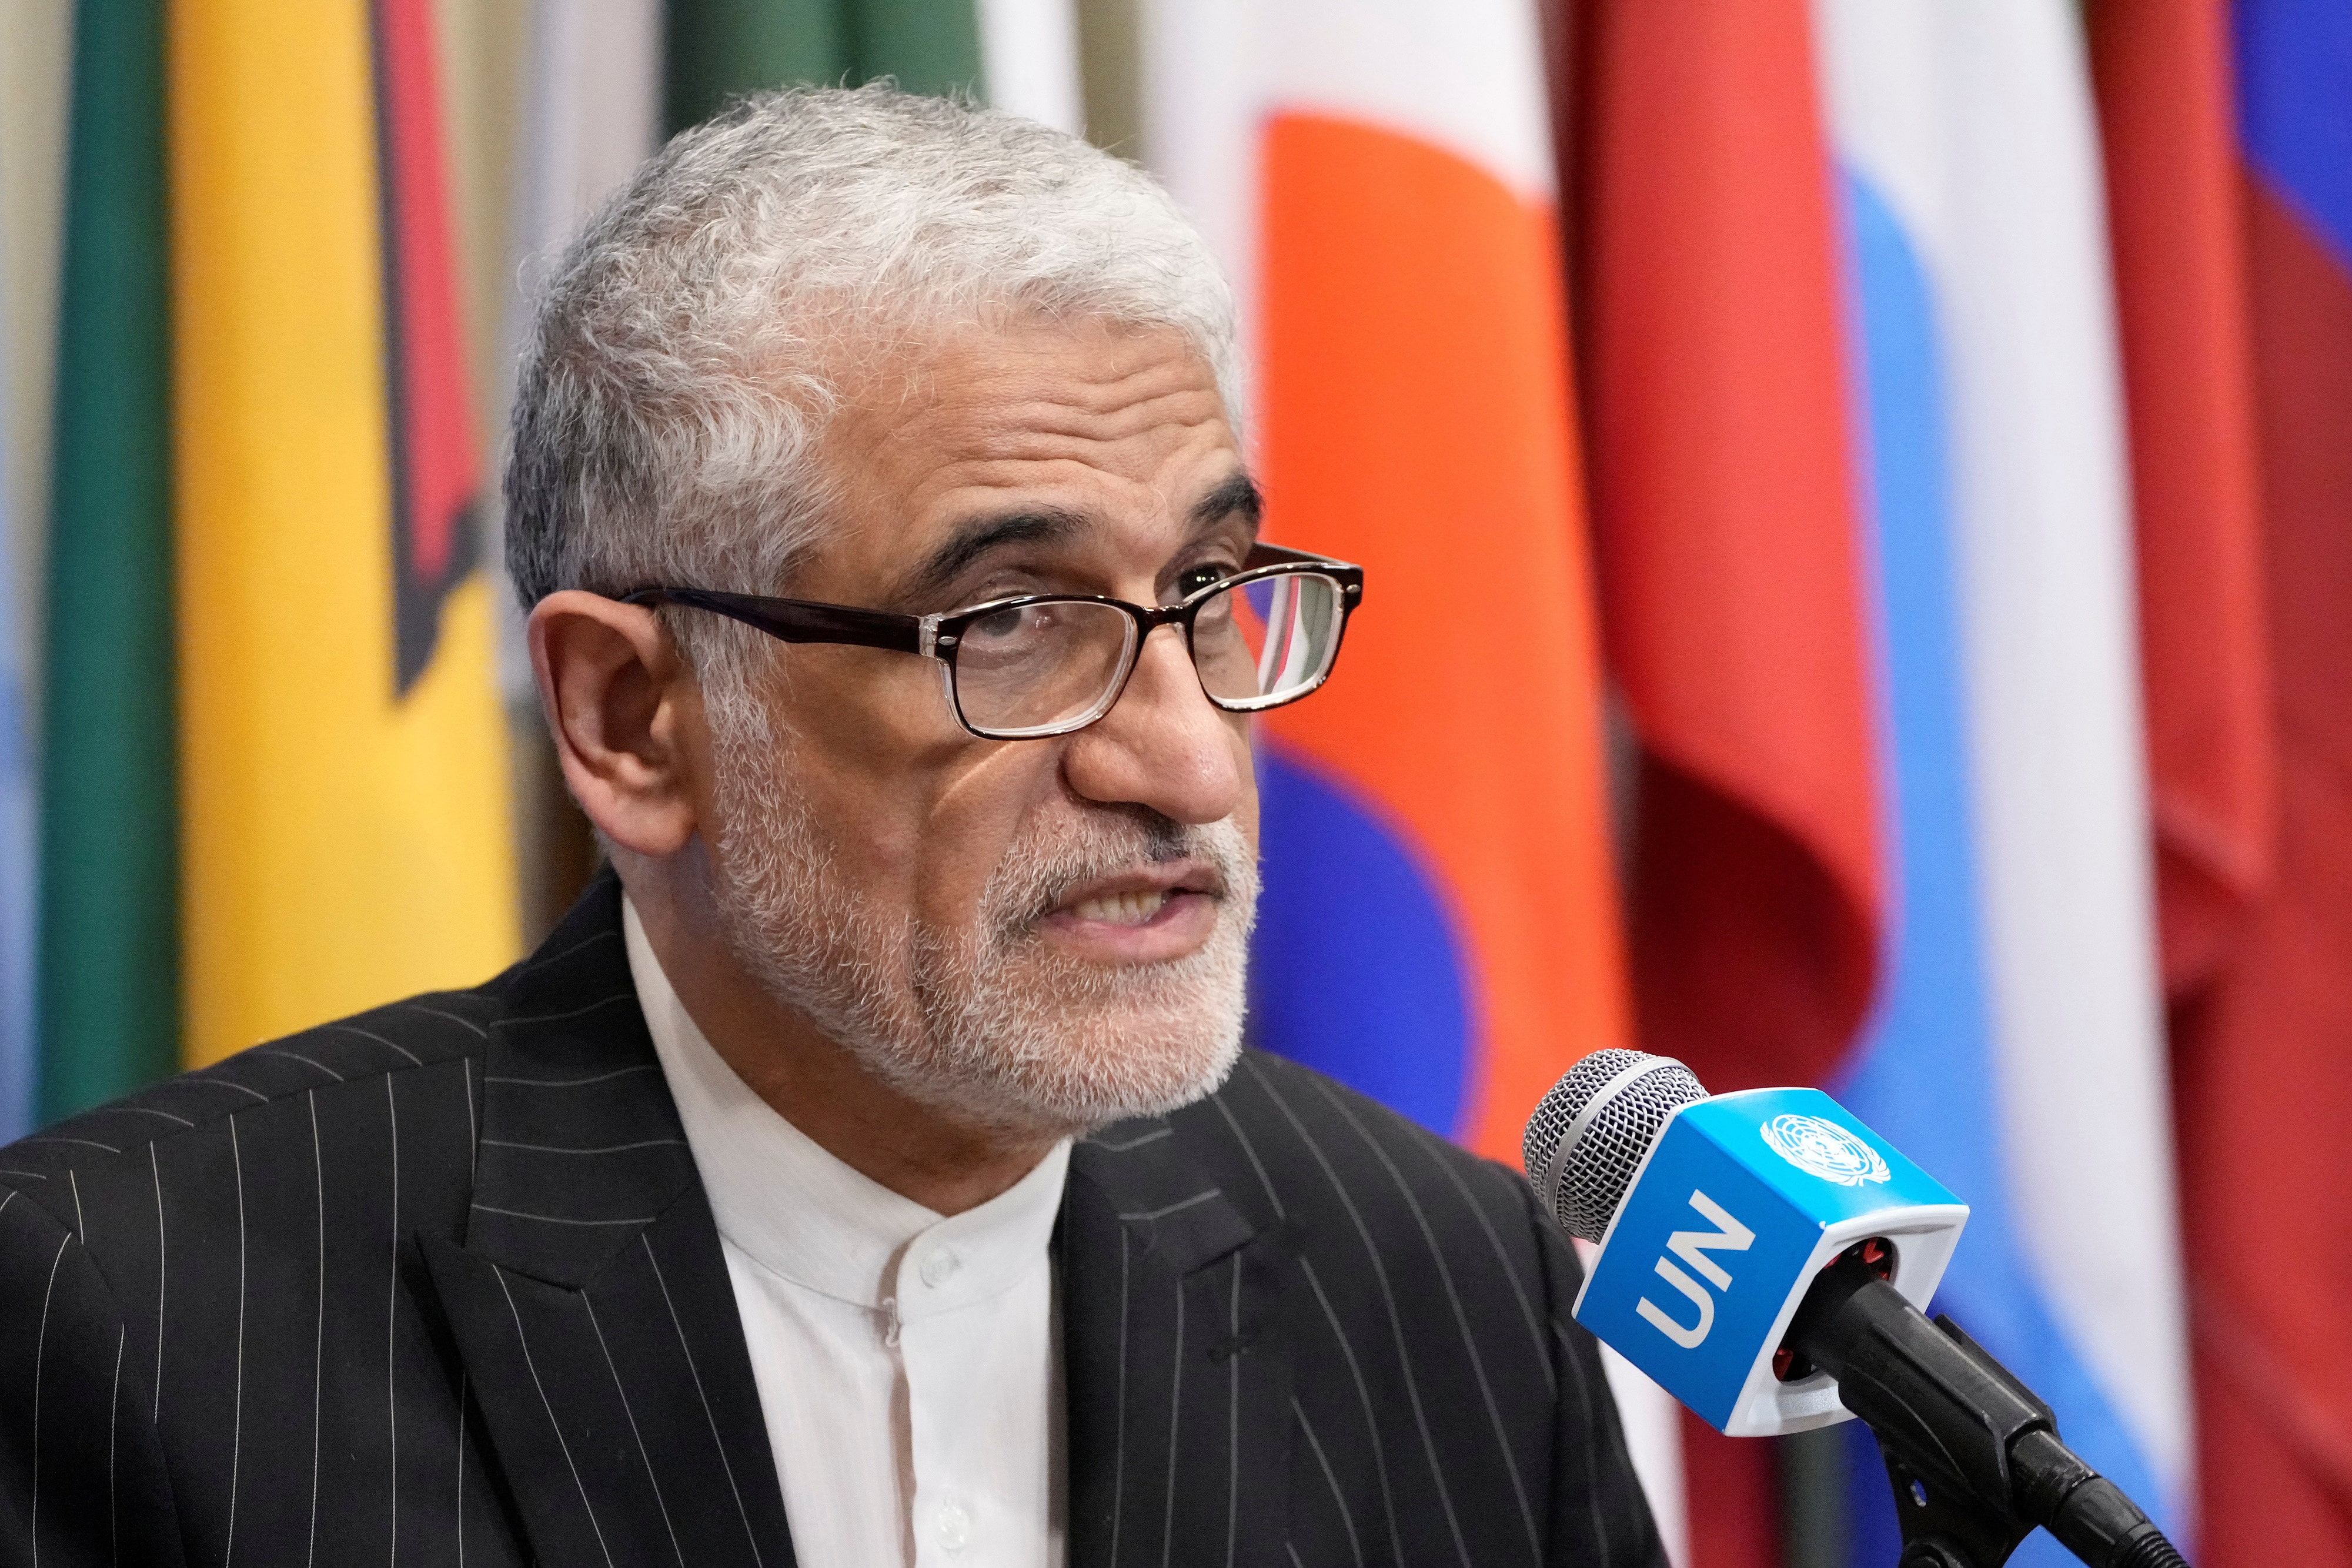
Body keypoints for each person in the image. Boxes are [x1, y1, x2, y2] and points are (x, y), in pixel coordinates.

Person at [0, 86, 1663, 1568]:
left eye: (1211, 589)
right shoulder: (121, 1314)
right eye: (1011, 621)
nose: (1192, 767)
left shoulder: (1453, 1286)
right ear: (630, 717)